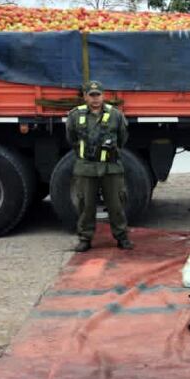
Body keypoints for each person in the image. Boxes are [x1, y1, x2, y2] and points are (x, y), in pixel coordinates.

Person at [65, 80, 134, 252]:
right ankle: (85, 238)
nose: (95, 99)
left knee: (116, 204)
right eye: (91, 95)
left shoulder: (115, 115)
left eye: (98, 95)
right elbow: (72, 139)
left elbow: (123, 138)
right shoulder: (75, 116)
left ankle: (122, 237)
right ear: (85, 97)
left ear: (103, 96)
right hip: (86, 167)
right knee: (86, 205)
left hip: (110, 167)